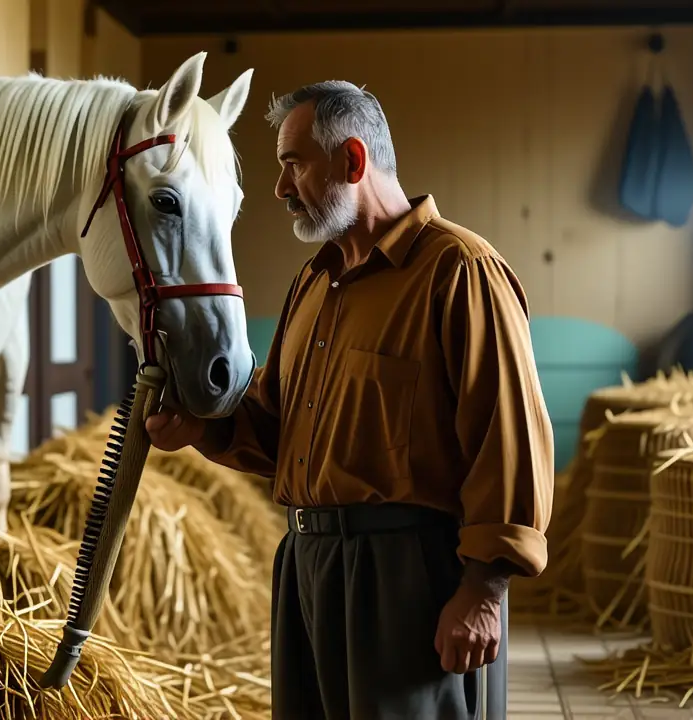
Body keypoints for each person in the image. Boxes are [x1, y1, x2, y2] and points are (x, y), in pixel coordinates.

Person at [146, 80, 555, 720]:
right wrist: (199, 426)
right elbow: (279, 426)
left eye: (293, 163)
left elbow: (509, 438)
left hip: (407, 576)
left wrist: (482, 590)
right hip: (308, 566)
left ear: (353, 161)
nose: (280, 189)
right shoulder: (314, 281)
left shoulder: (458, 271)